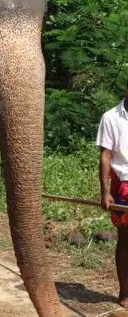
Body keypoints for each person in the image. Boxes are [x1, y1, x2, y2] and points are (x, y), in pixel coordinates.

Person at [97, 83, 128, 309]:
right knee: (125, 240)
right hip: (123, 186)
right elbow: (106, 156)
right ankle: (125, 292)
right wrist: (105, 191)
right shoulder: (111, 117)